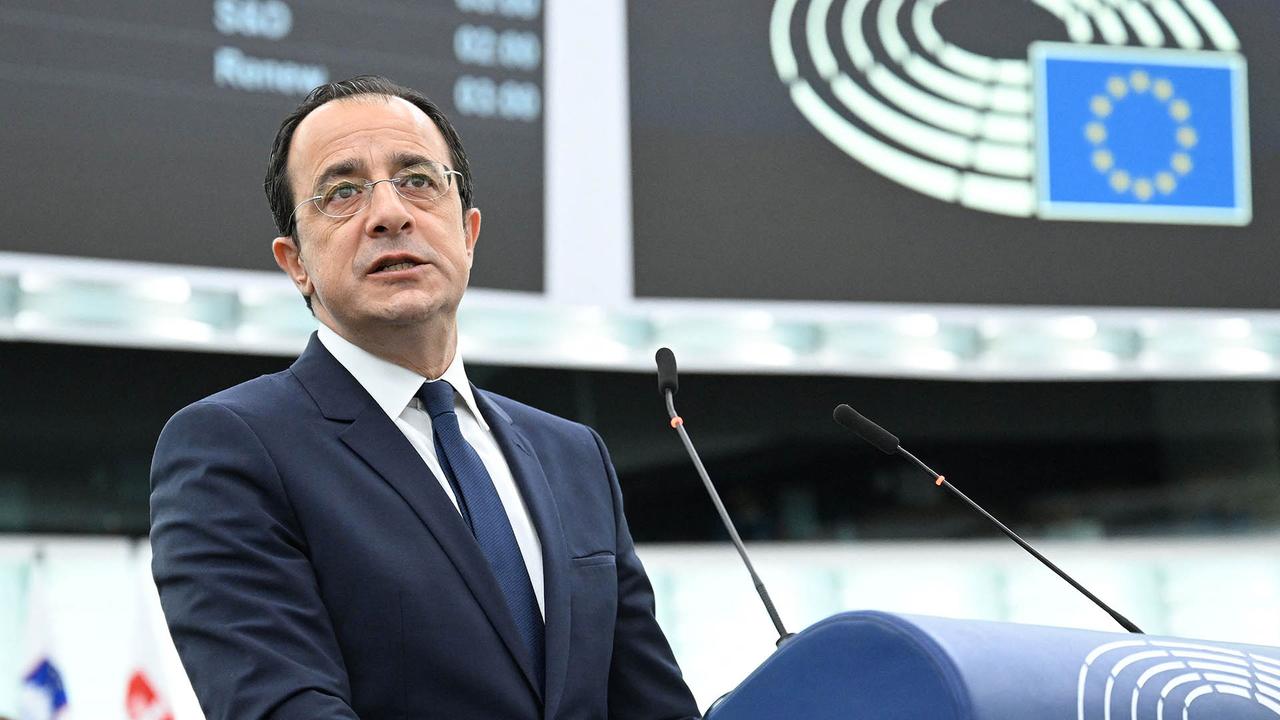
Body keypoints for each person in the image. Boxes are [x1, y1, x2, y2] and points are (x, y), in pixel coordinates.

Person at [150, 75, 699, 720]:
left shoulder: (572, 454)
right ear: (294, 261)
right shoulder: (231, 448)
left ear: (467, 232)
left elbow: (650, 704)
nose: (390, 214)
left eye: (417, 181)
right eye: (343, 191)